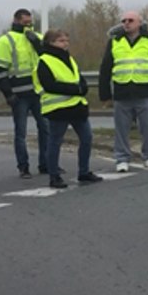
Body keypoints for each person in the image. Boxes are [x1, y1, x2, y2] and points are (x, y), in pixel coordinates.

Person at [98, 11, 148, 172]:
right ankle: (122, 158)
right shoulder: (115, 41)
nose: (126, 23)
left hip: (144, 91)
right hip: (122, 91)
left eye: (130, 20)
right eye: (123, 20)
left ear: (139, 23)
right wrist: (104, 93)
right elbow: (105, 68)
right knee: (121, 129)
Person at [34, 29, 103, 189]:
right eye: (61, 41)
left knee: (87, 138)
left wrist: (82, 88)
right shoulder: (44, 60)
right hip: (58, 108)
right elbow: (49, 85)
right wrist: (75, 89)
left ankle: (84, 172)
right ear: (51, 43)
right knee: (55, 142)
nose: (65, 44)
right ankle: (54, 176)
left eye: (66, 40)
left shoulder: (69, 58)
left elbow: (79, 78)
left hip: (77, 106)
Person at [0, 8, 51, 179]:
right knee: (21, 133)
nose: (28, 25)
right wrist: (8, 94)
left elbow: (48, 59)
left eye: (30, 22)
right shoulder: (6, 41)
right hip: (18, 94)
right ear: (16, 20)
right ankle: (23, 167)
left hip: (37, 92)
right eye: (25, 22)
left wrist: (37, 44)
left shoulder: (37, 37)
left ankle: (46, 164)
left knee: (46, 128)